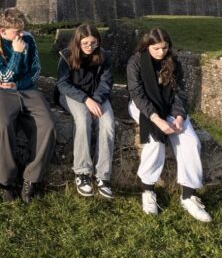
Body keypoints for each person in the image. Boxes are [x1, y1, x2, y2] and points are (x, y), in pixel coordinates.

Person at [126, 27, 212, 222]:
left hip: (170, 107)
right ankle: (147, 190)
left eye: (164, 48)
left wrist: (179, 117)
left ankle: (188, 195)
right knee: (155, 141)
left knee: (190, 142)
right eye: (156, 48)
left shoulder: (174, 62)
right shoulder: (136, 62)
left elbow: (180, 93)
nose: (160, 52)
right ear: (147, 46)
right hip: (144, 107)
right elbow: (137, 94)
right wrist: (156, 119)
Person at [0, 7, 56, 203]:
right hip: (2, 93)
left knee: (47, 125)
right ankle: (6, 180)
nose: (21, 34)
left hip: (28, 89)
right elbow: (3, 76)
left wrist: (20, 84)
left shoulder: (29, 39)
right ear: (3, 30)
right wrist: (16, 54)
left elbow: (36, 69)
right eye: (17, 31)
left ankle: (31, 179)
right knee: (3, 125)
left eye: (22, 29)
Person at [57, 23, 116, 199]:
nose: (90, 47)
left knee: (108, 123)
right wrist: (86, 100)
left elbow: (106, 82)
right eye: (86, 44)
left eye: (94, 43)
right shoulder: (66, 56)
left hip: (97, 96)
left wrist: (96, 100)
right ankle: (82, 173)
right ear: (78, 42)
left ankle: (103, 176)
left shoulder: (104, 56)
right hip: (73, 95)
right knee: (83, 120)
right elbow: (62, 83)